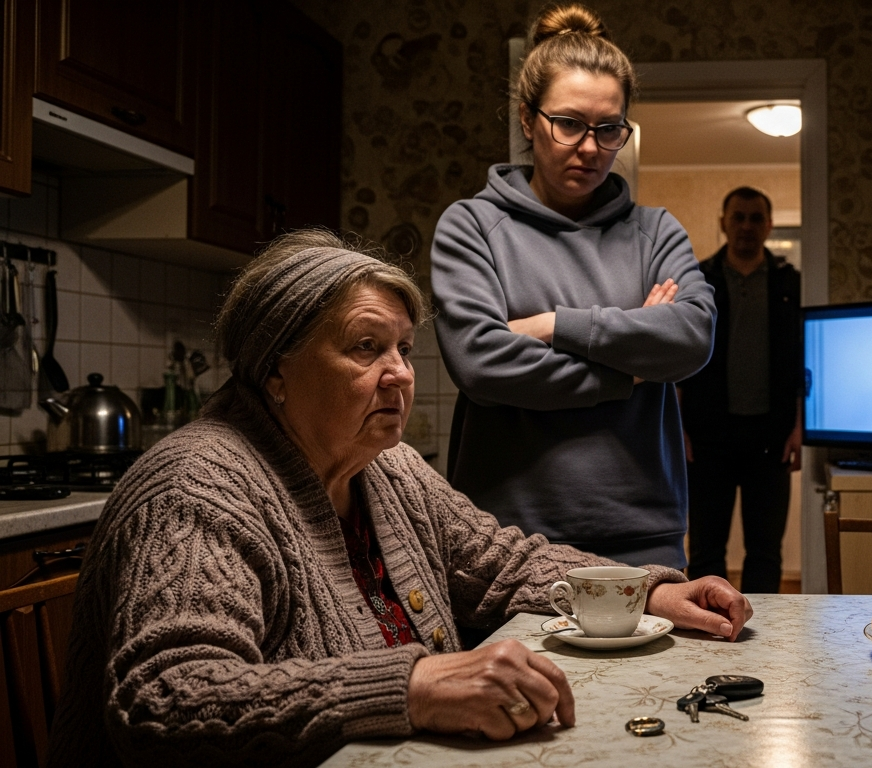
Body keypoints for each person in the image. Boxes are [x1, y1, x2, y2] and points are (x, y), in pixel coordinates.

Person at [48, 230, 750, 768]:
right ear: (275, 370)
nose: (400, 375)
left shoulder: (389, 468)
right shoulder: (198, 488)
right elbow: (168, 700)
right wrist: (413, 688)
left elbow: (504, 564)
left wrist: (648, 592)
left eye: (404, 350)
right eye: (365, 348)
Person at [431, 4, 712, 570]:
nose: (590, 147)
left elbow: (691, 338)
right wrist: (629, 367)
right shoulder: (472, 226)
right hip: (505, 539)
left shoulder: (656, 231)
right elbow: (480, 362)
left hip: (644, 537)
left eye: (609, 129)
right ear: (527, 119)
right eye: (569, 124)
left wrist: (552, 326)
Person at [678, 187, 802, 593]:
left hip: (772, 437)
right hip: (707, 435)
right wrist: (678, 429)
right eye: (738, 217)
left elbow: (804, 362)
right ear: (723, 223)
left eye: (755, 218)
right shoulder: (698, 280)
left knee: (765, 551)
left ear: (769, 225)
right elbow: (678, 359)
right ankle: (705, 621)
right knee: (705, 550)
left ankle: (761, 628)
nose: (747, 226)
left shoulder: (791, 282)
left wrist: (799, 427)